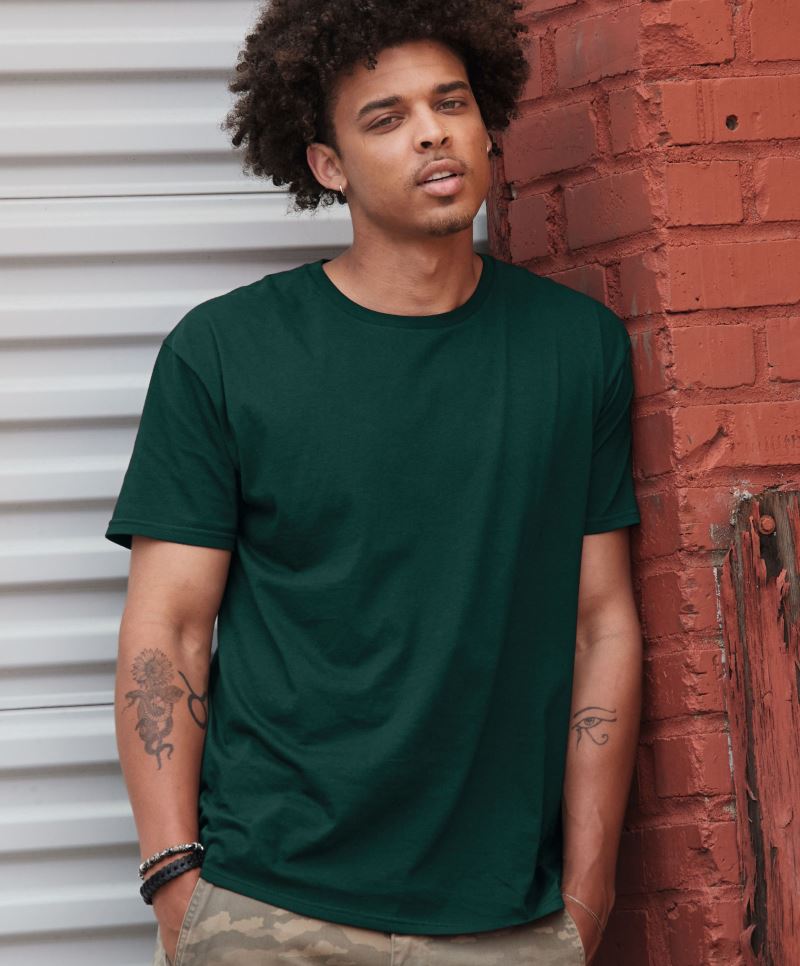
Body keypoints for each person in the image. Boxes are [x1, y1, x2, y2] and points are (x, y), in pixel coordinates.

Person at [105, 1, 643, 963]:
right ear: (328, 165)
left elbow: (598, 623)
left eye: (451, 102)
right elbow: (170, 629)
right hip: (269, 908)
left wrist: (589, 895)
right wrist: (175, 878)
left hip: (506, 920)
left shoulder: (578, 350)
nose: (432, 132)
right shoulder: (225, 353)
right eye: (386, 118)